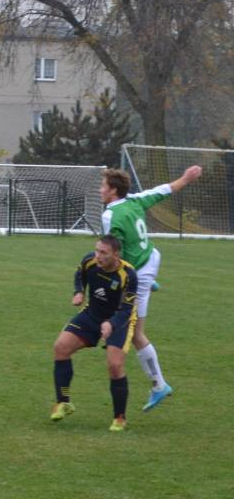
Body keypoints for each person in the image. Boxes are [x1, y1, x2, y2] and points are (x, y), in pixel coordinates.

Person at [99, 164, 202, 411]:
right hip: (151, 257)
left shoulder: (110, 216)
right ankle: (149, 284)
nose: (100, 190)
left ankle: (159, 385)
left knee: (136, 334)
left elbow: (113, 254)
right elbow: (165, 190)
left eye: (102, 186)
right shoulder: (135, 199)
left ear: (113, 190)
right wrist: (186, 178)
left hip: (138, 272)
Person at [50, 234, 139, 432]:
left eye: (103, 253)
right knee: (61, 347)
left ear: (116, 255)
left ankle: (120, 417)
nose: (98, 256)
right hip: (92, 314)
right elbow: (79, 275)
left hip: (120, 320)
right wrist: (78, 292)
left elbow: (126, 309)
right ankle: (63, 402)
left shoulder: (128, 274)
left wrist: (111, 324)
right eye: (97, 250)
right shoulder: (89, 261)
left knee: (114, 365)